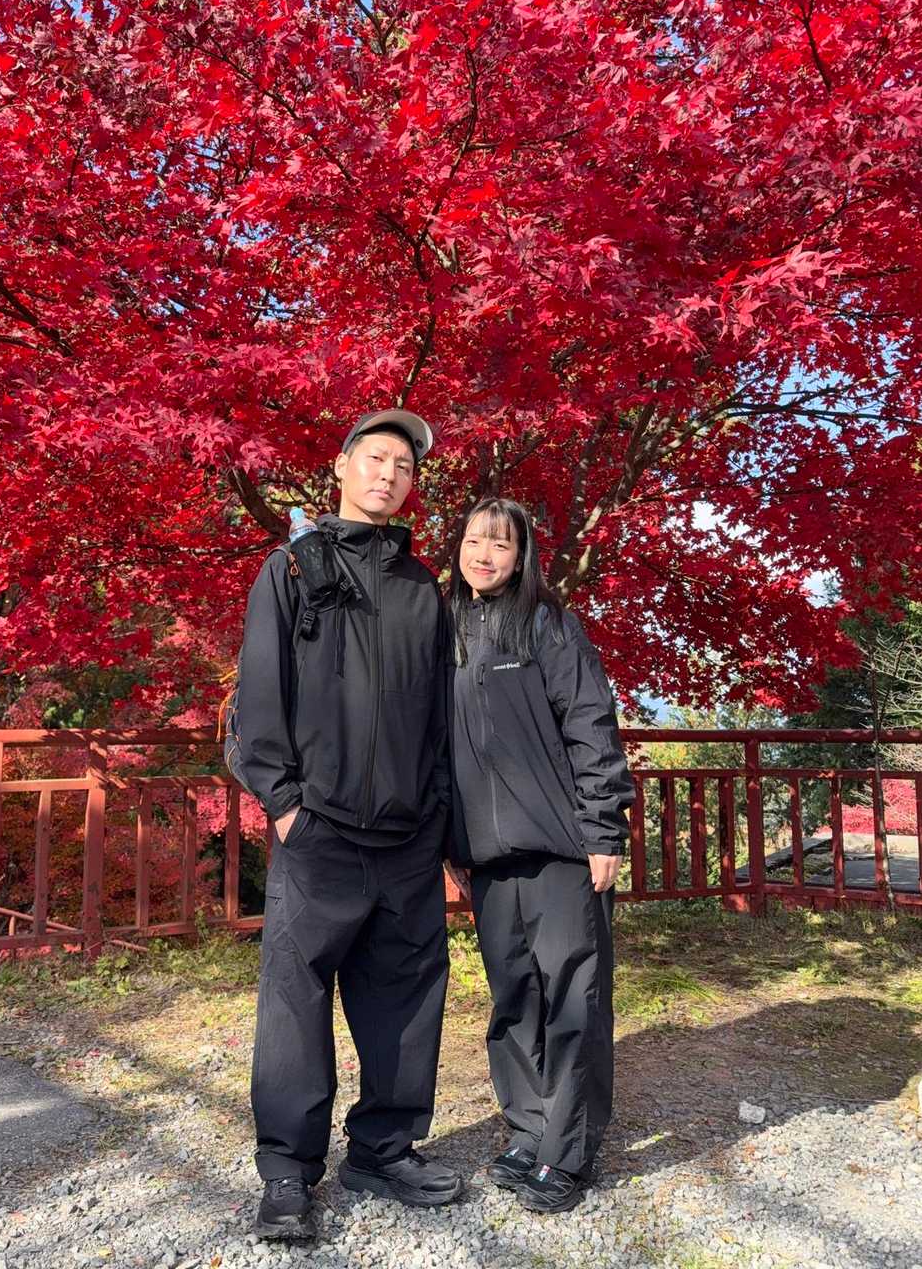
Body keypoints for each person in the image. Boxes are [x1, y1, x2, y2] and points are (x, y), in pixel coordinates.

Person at [235, 409, 462, 1241]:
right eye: (375, 458)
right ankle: (287, 1172)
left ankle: (384, 1149)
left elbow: (440, 716)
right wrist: (285, 805)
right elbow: (260, 697)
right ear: (341, 467)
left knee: (406, 996)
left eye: (404, 466)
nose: (388, 475)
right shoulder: (292, 569)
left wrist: (437, 816)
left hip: (407, 836)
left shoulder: (423, 589)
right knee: (295, 1001)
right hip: (318, 831)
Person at [445, 497, 635, 1214]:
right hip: (488, 856)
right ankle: (527, 1131)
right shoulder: (446, 629)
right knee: (514, 1000)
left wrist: (603, 830)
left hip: (562, 848)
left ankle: (569, 1150)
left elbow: (591, 722)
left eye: (501, 544)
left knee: (574, 996)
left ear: (522, 556)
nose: (484, 555)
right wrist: (450, 839)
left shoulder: (549, 624)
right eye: (474, 541)